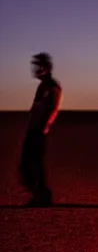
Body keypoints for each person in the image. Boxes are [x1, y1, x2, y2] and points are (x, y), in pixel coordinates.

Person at [19, 53, 63, 207]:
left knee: (34, 164)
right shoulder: (42, 86)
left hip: (39, 132)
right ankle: (39, 195)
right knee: (28, 164)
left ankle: (42, 196)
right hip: (33, 130)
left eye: (39, 66)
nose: (36, 69)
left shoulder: (52, 86)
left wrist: (43, 129)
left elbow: (53, 109)